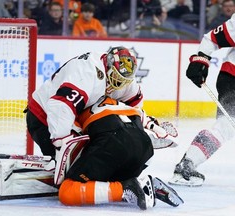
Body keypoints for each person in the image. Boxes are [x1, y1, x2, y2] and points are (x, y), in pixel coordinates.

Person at [25, 46, 174, 186]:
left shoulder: (125, 81)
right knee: (72, 175)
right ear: (108, 66)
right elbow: (60, 106)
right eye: (116, 77)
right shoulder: (87, 73)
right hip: (43, 117)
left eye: (124, 81)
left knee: (98, 159)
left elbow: (132, 108)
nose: (118, 83)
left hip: (74, 115)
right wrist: (62, 144)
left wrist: (143, 127)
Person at [59, 96, 183, 209]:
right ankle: (141, 185)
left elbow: (73, 140)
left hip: (113, 144)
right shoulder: (124, 104)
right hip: (144, 147)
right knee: (104, 178)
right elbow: (159, 132)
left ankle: (127, 189)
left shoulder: (78, 106)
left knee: (67, 190)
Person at [169, 12, 235, 186]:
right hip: (233, 79)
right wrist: (201, 59)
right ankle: (187, 165)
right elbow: (212, 39)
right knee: (226, 125)